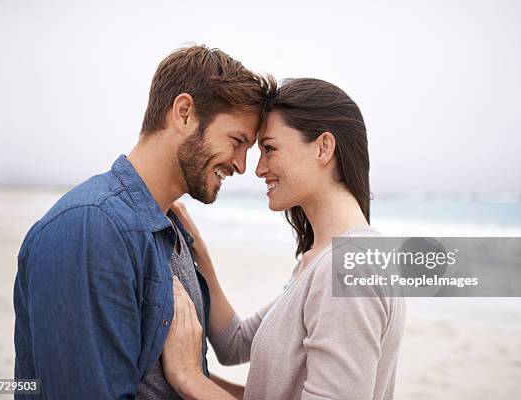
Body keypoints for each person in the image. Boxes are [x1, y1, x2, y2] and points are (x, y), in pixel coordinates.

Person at [13, 44, 274, 399]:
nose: (242, 165)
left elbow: (169, 383)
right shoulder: (92, 228)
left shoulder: (171, 232)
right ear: (184, 113)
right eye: (237, 141)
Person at [163, 78, 407, 400]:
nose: (259, 169)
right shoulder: (321, 260)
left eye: (269, 149)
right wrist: (202, 259)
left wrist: (191, 379)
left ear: (323, 148)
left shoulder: (350, 268)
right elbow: (235, 343)